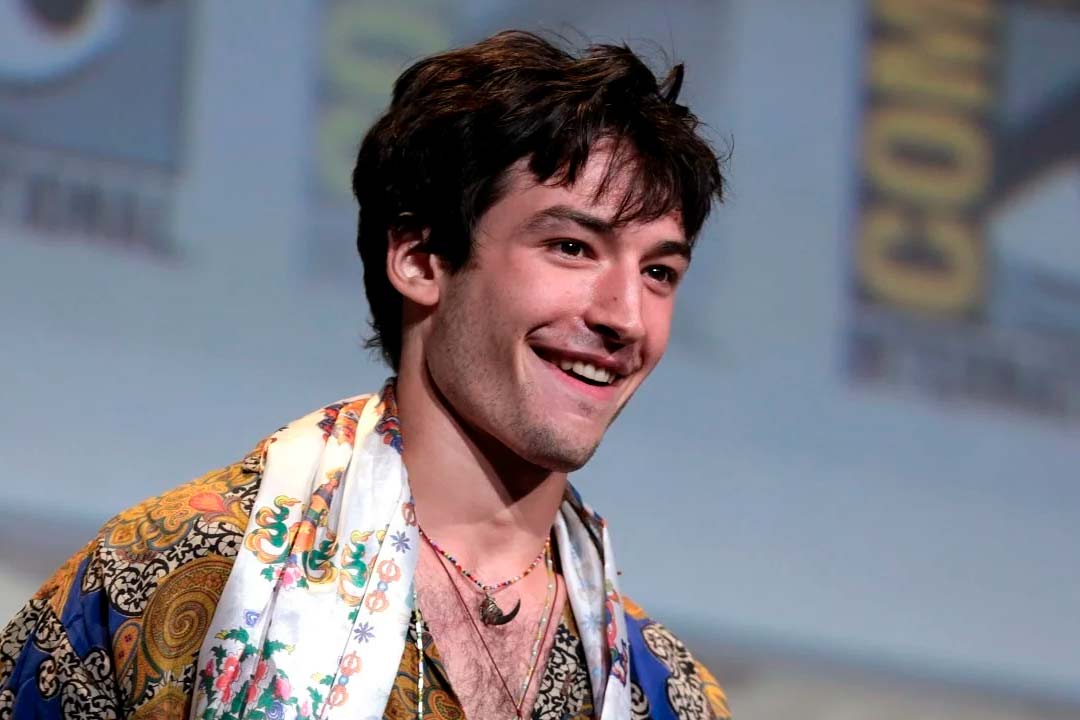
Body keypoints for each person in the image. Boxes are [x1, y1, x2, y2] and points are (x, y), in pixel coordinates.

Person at [0, 30, 730, 720]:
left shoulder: (668, 694)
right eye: (571, 247)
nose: (626, 317)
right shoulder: (174, 573)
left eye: (659, 272)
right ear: (419, 260)